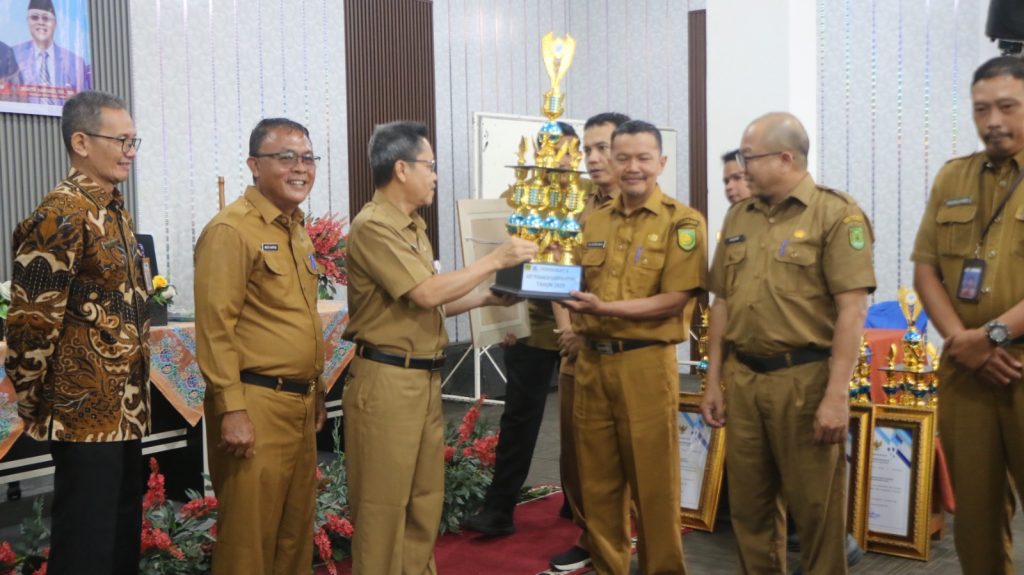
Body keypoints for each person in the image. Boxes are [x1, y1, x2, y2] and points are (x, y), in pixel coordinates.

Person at [343, 120, 537, 575]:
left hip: (423, 379)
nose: (435, 176)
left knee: (424, 502)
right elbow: (428, 293)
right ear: (401, 169)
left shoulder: (412, 225)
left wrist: (487, 298)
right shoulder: (373, 226)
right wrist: (496, 259)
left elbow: (428, 304)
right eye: (430, 165)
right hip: (388, 382)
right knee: (382, 508)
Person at [700, 112, 875, 575]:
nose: (742, 169)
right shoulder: (740, 216)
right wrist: (713, 380)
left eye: (749, 158)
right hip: (745, 379)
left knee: (817, 512)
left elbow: (852, 310)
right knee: (750, 512)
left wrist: (836, 397)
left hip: (805, 380)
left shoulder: (836, 214)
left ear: (785, 158)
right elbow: (722, 302)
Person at [5, 90, 147, 575]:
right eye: (121, 140)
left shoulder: (113, 209)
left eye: (133, 141)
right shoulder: (60, 212)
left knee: (121, 538)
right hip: (82, 412)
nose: (130, 151)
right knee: (88, 545)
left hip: (124, 410)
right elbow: (31, 322)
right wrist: (34, 400)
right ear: (81, 142)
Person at [561, 119, 706, 575]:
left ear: (661, 162)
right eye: (622, 157)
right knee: (598, 484)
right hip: (592, 365)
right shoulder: (593, 219)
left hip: (645, 365)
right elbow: (571, 280)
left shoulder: (682, 222)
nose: (632, 167)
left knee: (653, 484)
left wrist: (605, 308)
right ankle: (609, 567)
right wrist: (526, 277)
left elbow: (676, 299)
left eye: (643, 158)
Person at [194, 118, 327, 574]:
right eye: (286, 157)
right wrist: (231, 409)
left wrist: (317, 389)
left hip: (298, 403)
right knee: (248, 543)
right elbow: (215, 328)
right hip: (254, 404)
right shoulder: (231, 230)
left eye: (307, 158)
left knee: (294, 535)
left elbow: (300, 318)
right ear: (254, 165)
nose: (300, 168)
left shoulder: (296, 229)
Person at [912, 55, 1024, 575]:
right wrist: (964, 342)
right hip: (967, 371)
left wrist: (993, 335)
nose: (993, 121)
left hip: (1015, 359)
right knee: (975, 521)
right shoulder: (953, 176)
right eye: (982, 109)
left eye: (1007, 106)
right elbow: (926, 271)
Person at [462, 122, 580, 539]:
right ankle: (499, 509)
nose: (563, 161)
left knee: (581, 423)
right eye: (554, 151)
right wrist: (503, 324)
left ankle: (577, 503)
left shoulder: (587, 203)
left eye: (570, 152)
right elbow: (502, 266)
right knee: (518, 421)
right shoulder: (516, 200)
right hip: (529, 327)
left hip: (579, 326)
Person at [548, 111, 631, 573]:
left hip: (619, 353)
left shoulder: (644, 211)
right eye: (588, 150)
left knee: (619, 452)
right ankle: (590, 533)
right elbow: (562, 273)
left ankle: (619, 535)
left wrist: (588, 332)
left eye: (603, 149)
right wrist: (567, 330)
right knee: (576, 455)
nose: (593, 159)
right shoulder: (581, 209)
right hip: (575, 349)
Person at [13, 0, 92, 101]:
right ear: (28, 21)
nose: (40, 22)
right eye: (34, 17)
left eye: (46, 18)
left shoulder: (75, 62)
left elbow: (83, 102)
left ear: (55, 23)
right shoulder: (13, 55)